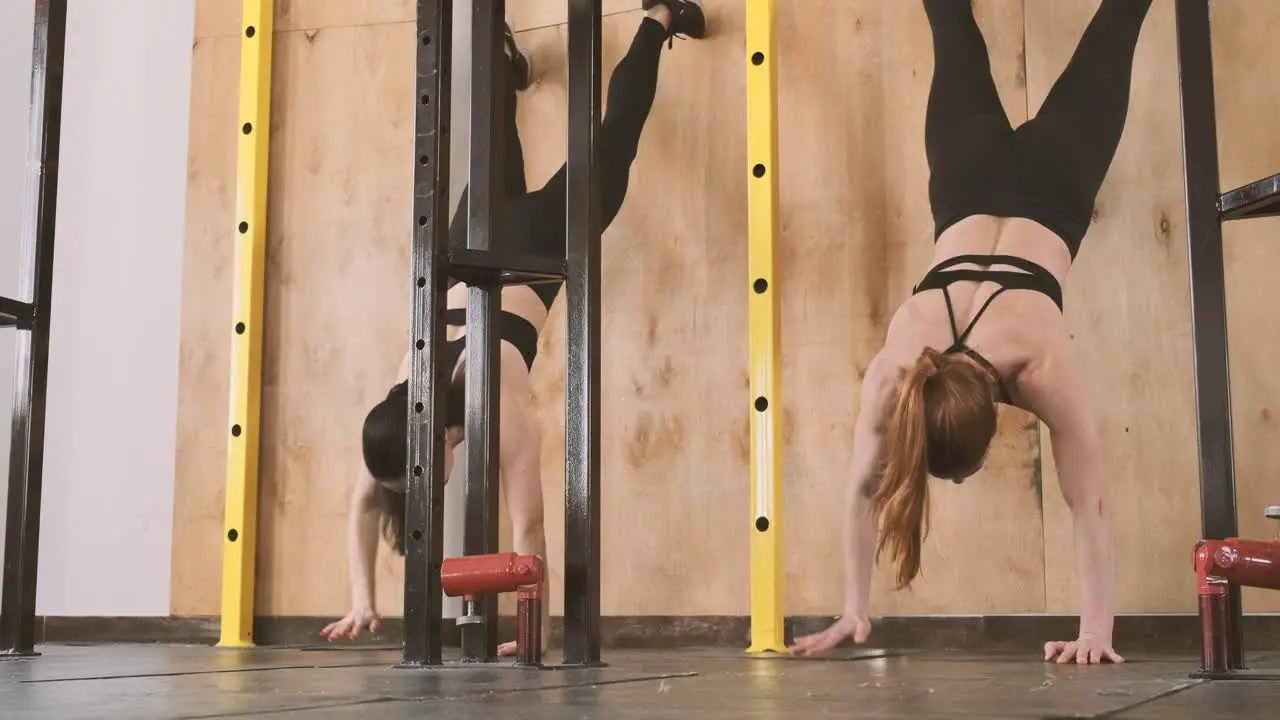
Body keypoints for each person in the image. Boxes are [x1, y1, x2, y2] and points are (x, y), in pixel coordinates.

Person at [321, 1, 708, 656]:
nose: (420, 488)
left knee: (611, 146)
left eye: (414, 478)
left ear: (432, 442)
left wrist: (539, 632)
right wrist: (361, 597)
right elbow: (363, 504)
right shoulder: (400, 407)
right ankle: (501, 60)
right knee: (495, 145)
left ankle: (660, 18)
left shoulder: (491, 399)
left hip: (531, 251)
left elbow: (530, 523)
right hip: (469, 240)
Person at [790, 0, 1153, 664]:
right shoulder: (898, 364)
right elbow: (861, 489)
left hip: (1058, 179)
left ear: (995, 420)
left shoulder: (1041, 367)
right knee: (950, 24)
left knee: (1121, 21)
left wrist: (1096, 631)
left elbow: (1091, 502)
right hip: (966, 172)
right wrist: (852, 606)